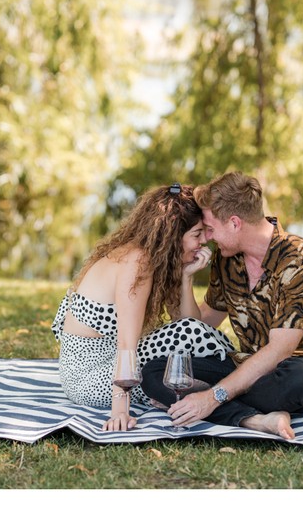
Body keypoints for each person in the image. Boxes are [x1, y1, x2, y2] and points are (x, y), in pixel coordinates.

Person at [141, 172, 303, 440]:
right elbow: (200, 325)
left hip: (301, 368)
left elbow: (279, 352)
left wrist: (212, 396)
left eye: (210, 229)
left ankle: (217, 402)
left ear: (235, 223)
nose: (207, 238)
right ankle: (255, 420)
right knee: (157, 373)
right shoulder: (227, 260)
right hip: (248, 366)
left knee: (293, 381)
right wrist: (185, 279)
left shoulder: (302, 261)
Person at [51, 183, 234, 432]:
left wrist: (186, 277)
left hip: (110, 365)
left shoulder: (159, 260)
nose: (204, 242)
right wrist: (120, 412)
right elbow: (128, 345)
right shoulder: (137, 262)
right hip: (89, 378)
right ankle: (243, 379)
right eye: (197, 234)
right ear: (172, 234)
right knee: (188, 335)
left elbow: (189, 322)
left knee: (189, 334)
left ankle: (233, 382)